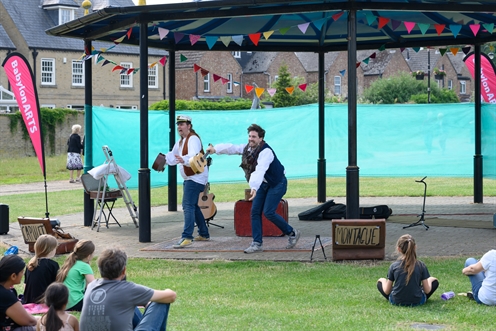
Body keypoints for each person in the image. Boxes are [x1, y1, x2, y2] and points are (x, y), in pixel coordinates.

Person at [206, 123, 300, 254]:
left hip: (277, 183)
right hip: (263, 183)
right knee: (255, 211)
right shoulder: (248, 149)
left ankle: (292, 233)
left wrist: (254, 187)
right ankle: (257, 244)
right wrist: (215, 149)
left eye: (254, 137)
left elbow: (260, 170)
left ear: (261, 138)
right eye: (250, 136)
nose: (251, 139)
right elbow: (233, 148)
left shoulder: (266, 152)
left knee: (268, 212)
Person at [79, 248, 176, 331]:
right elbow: (171, 296)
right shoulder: (128, 289)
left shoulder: (91, 286)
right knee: (162, 300)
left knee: (127, 305)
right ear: (124, 270)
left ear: (100, 269)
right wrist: (166, 291)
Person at [163, 115, 210, 249]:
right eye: (178, 124)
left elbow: (194, 158)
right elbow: (172, 156)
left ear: (189, 126)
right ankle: (204, 233)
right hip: (191, 178)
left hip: (195, 178)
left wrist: (183, 160)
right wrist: (162, 161)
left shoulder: (193, 139)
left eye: (182, 124)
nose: (179, 127)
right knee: (193, 206)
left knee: (187, 205)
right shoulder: (180, 142)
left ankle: (187, 237)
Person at [377, 234, 439, 306]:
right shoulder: (421, 265)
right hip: (418, 301)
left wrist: (382, 280)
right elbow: (427, 291)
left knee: (381, 283)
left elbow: (387, 291)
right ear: (415, 247)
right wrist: (431, 279)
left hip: (396, 301)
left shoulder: (394, 266)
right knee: (434, 282)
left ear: (399, 249)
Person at [0, 255, 37, 331]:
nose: (23, 274)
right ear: (13, 276)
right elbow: (29, 321)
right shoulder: (5, 295)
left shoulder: (8, 290)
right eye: (22, 272)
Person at [55, 240, 95, 311]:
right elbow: (94, 285)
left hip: (63, 303)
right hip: (75, 302)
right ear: (89, 256)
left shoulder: (70, 262)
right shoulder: (84, 266)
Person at [23, 235, 59, 304]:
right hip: (45, 300)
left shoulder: (31, 264)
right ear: (51, 250)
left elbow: (26, 285)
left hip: (28, 299)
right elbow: (57, 285)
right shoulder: (53, 265)